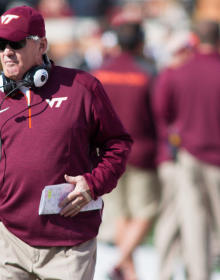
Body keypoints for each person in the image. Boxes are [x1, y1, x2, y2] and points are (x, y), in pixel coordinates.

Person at [0, 5, 132, 279]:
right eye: (1, 43)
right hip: (9, 241)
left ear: (41, 45)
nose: (7, 51)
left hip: (71, 243)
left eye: (16, 43)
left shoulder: (83, 87)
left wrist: (93, 184)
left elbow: (118, 144)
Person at [152, 20, 220, 280]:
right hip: (212, 158)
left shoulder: (176, 72)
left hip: (189, 157)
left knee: (194, 227)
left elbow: (162, 111)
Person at [93, 21, 159, 280]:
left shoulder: (100, 72)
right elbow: (158, 114)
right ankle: (123, 264)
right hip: (141, 150)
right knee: (147, 210)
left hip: (108, 152)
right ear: (140, 43)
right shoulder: (147, 73)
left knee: (121, 213)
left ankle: (127, 271)